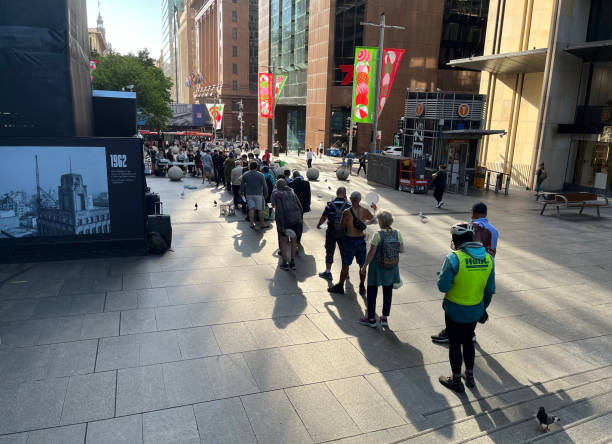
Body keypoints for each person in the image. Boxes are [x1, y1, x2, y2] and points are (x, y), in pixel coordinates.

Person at [436, 223, 495, 393]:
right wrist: (483, 308)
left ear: (455, 239)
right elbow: (490, 290)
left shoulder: (454, 258)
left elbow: (443, 287)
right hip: (475, 309)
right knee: (468, 340)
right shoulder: (488, 258)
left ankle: (456, 380)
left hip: (454, 310)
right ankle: (469, 376)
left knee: (455, 344)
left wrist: (444, 277)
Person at [431, 202, 499, 344]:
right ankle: (470, 333)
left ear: (473, 213)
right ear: (486, 213)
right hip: (484, 267)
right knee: (474, 300)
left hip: (464, 269)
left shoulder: (468, 228)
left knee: (459, 303)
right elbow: (492, 252)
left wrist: (450, 271)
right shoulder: (494, 231)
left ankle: (450, 333)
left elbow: (443, 286)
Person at [359, 210, 403, 328]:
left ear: (380, 222)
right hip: (391, 266)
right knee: (388, 292)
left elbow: (371, 253)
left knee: (372, 292)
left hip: (377, 267)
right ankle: (384, 318)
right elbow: (402, 250)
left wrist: (364, 266)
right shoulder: (397, 233)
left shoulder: (378, 234)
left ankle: (371, 319)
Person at [328, 191, 376, 296]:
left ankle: (340, 286)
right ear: (359, 200)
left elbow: (342, 226)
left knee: (346, 264)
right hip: (361, 240)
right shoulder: (365, 210)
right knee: (362, 265)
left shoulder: (347, 211)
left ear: (350, 199)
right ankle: (362, 286)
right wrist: (364, 223)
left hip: (350, 240)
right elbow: (375, 220)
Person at [317, 187, 351, 281]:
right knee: (344, 252)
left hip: (331, 231)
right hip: (344, 232)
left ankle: (328, 272)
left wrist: (319, 224)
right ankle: (346, 272)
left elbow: (324, 216)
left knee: (329, 251)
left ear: (336, 193)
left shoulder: (330, 204)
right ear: (344, 194)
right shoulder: (348, 205)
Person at [271, 179, 303, 270]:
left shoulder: (278, 195)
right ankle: (293, 262)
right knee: (294, 241)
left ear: (277, 187)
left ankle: (284, 261)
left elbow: (280, 211)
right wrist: (299, 219)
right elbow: (300, 207)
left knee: (284, 241)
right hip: (296, 220)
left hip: (285, 221)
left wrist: (283, 225)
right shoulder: (292, 193)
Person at [240, 161, 270, 229]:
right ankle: (262, 224)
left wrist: (241, 192)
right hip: (259, 194)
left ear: (249, 167)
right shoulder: (260, 175)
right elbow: (265, 185)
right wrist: (266, 194)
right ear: (257, 167)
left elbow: (242, 185)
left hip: (249, 194)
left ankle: (251, 224)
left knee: (251, 209)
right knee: (260, 209)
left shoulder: (245, 174)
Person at [288, 170, 311, 244]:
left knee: (292, 221)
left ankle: (292, 236)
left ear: (293, 176)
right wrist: (308, 204)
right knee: (300, 221)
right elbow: (308, 195)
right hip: (303, 206)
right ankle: (298, 239)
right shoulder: (306, 183)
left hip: (293, 206)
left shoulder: (290, 184)